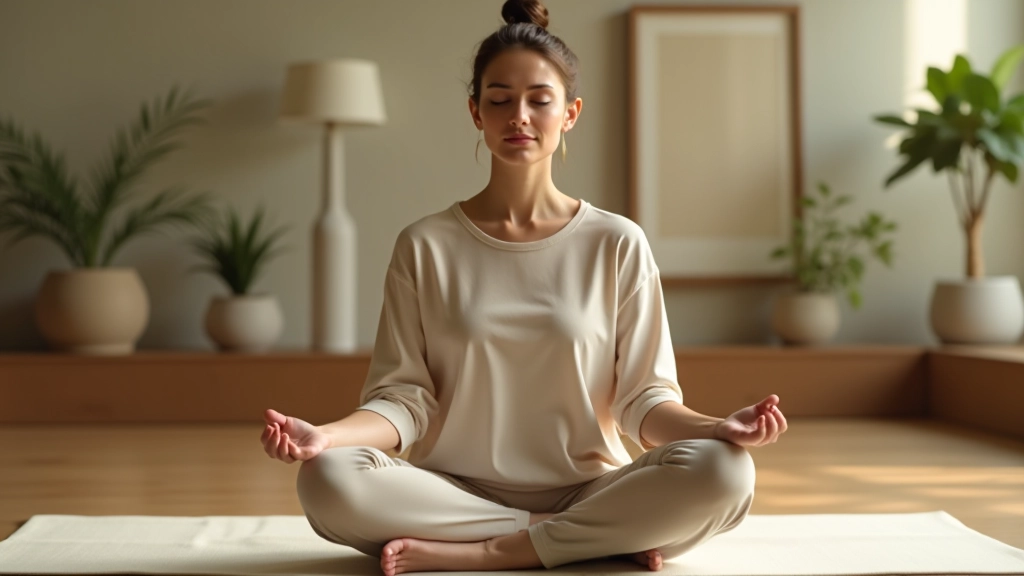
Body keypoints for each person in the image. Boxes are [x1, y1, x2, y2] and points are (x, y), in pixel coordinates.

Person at [260, 0, 788, 573]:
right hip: (449, 496)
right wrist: (324, 436)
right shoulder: (425, 245)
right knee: (329, 478)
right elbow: (403, 401)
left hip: (590, 489)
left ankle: (495, 552)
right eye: (500, 99)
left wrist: (719, 427)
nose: (520, 116)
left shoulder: (617, 242)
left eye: (540, 100)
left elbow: (645, 402)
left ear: (570, 113)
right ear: (474, 112)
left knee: (728, 470)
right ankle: (580, 541)